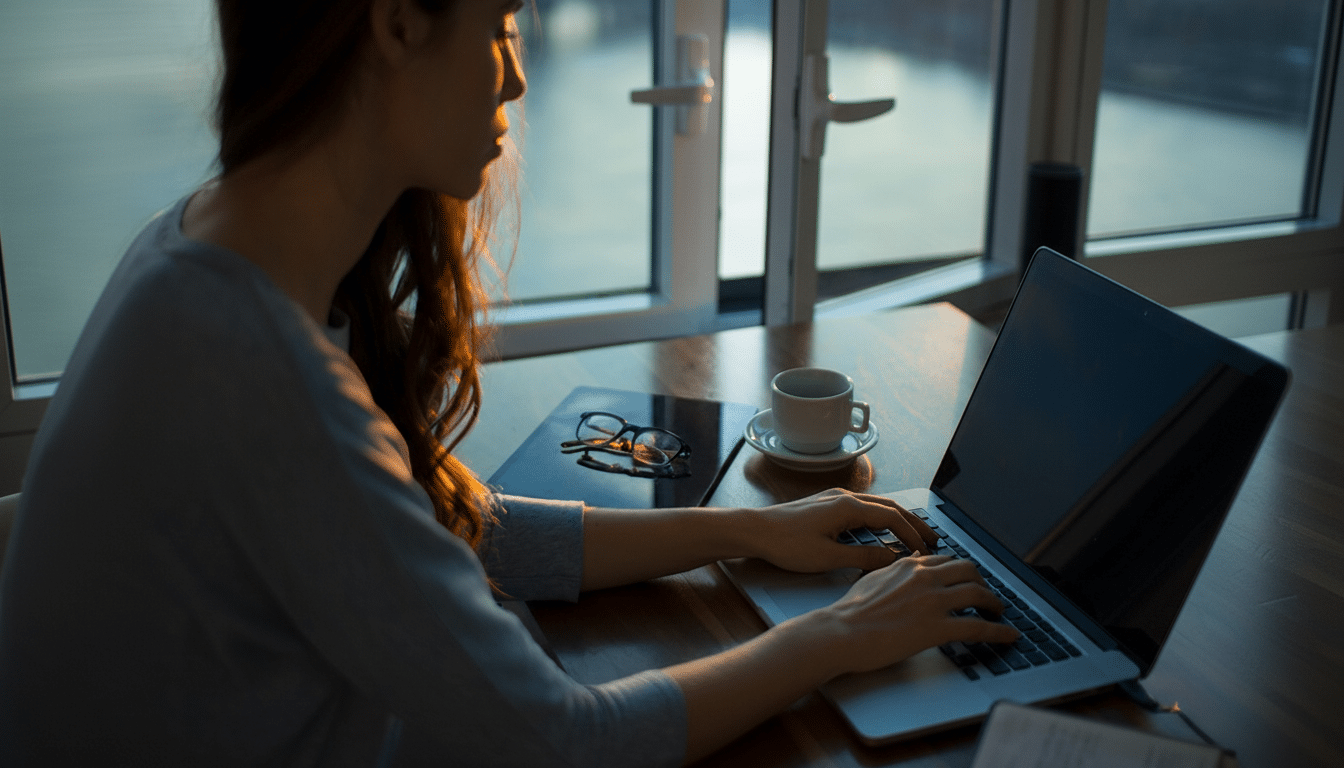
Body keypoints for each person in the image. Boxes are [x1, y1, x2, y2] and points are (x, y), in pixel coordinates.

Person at [0, 0, 1017, 764]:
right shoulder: (262, 373)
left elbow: (441, 525)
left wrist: (741, 533)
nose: (516, 77)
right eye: (499, 25)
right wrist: (837, 636)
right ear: (397, 22)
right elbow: (562, 743)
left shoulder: (202, 251)